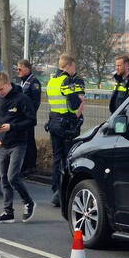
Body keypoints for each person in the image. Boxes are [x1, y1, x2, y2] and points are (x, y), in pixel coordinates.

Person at [0, 71, 37, 224]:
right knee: (4, 179)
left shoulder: (22, 99)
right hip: (3, 144)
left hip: (18, 143)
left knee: (12, 177)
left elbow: (31, 121)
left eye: (1, 89)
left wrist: (12, 127)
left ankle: (28, 202)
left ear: (8, 84)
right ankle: (8, 212)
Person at [44, 53, 85, 207]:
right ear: (68, 66)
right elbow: (74, 104)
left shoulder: (51, 81)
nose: (74, 69)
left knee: (56, 159)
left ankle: (55, 189)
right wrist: (79, 103)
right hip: (66, 124)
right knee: (69, 159)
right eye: (73, 66)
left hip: (53, 122)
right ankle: (63, 194)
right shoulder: (65, 80)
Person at [16, 59, 41, 176]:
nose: (18, 71)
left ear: (27, 68)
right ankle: (24, 165)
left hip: (28, 119)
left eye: (20, 69)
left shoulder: (34, 83)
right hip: (21, 118)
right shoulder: (23, 82)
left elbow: (35, 103)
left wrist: (28, 116)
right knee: (24, 141)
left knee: (29, 142)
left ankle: (30, 166)